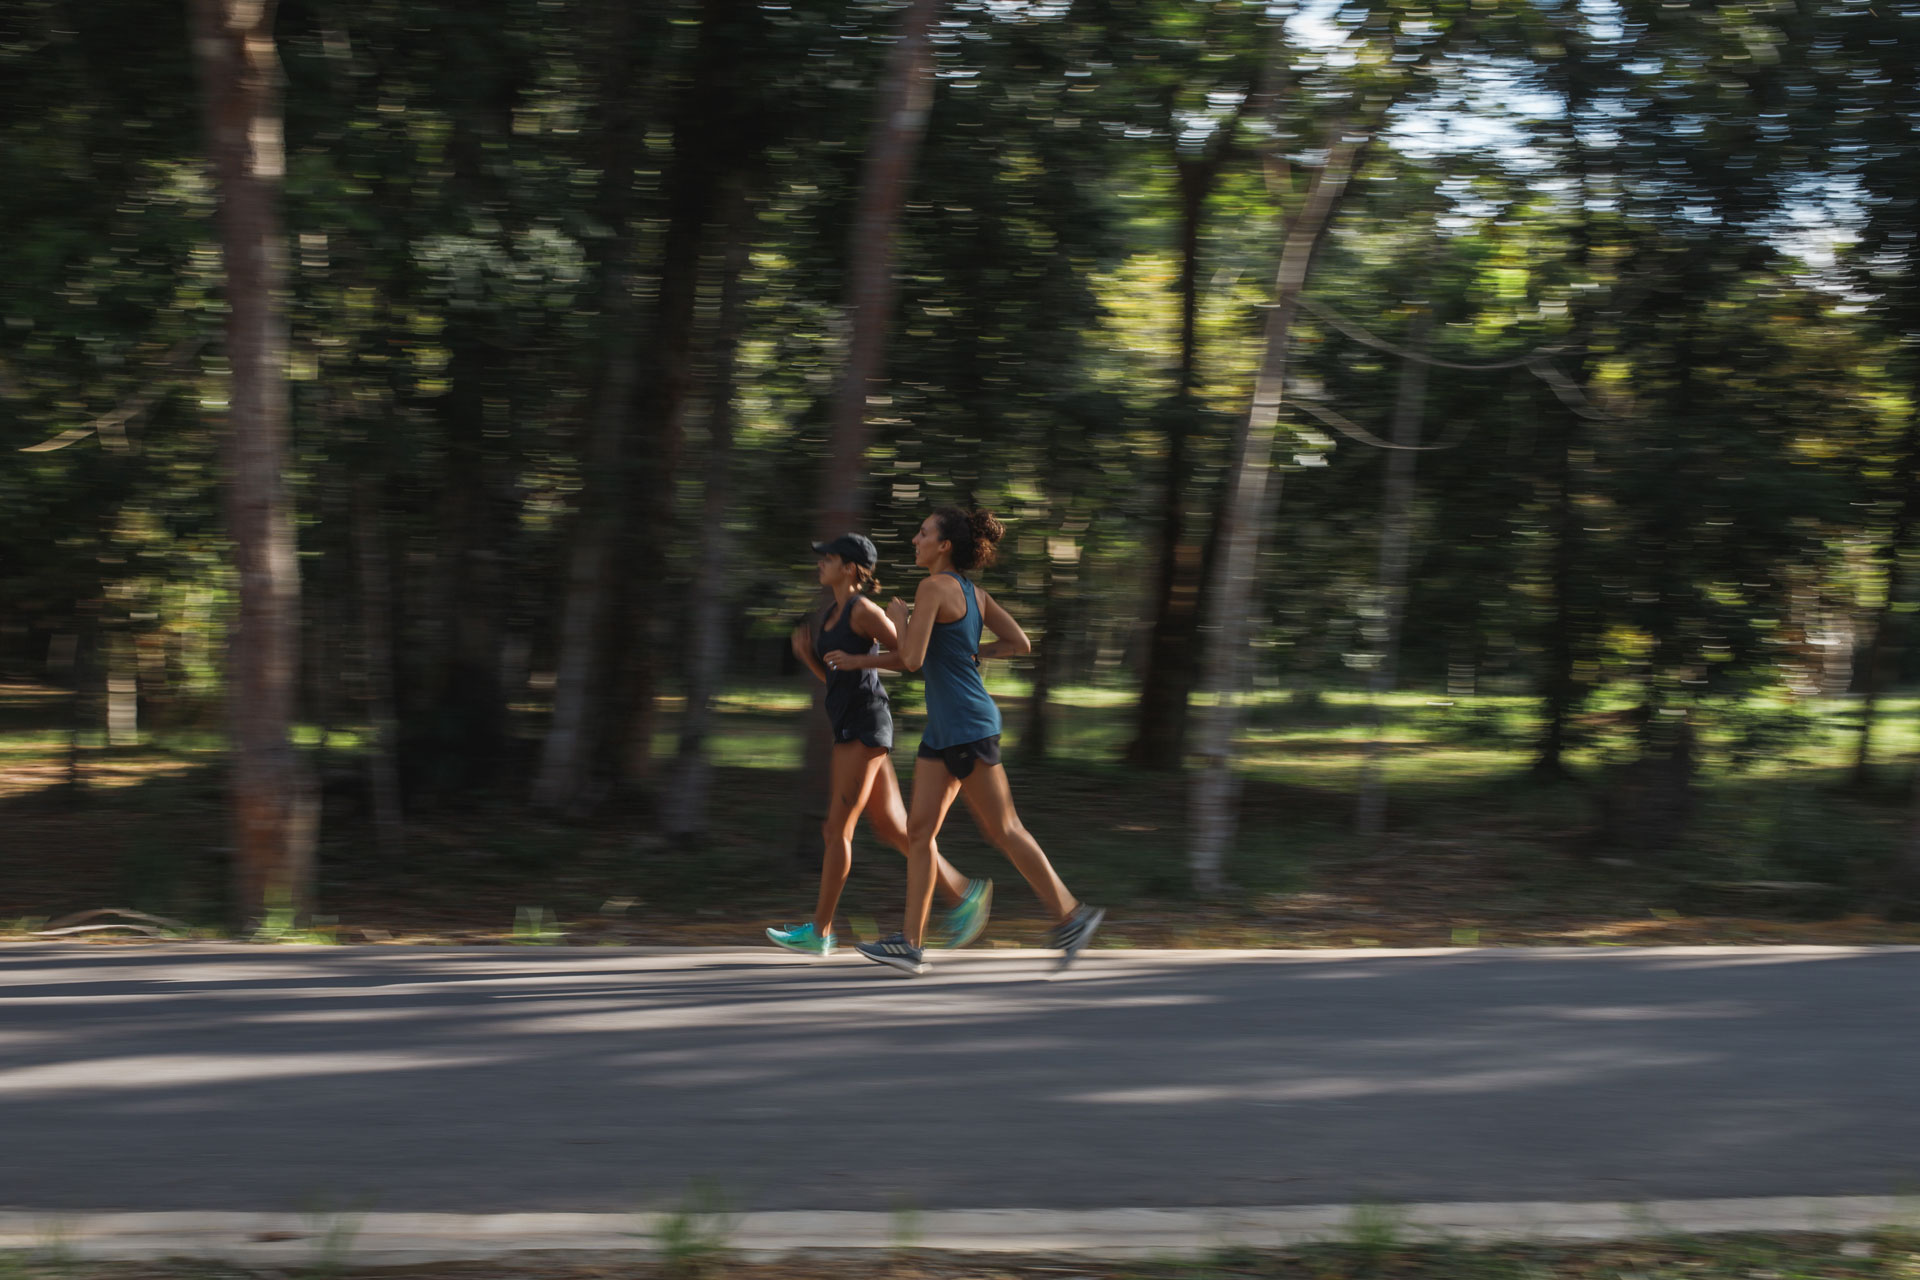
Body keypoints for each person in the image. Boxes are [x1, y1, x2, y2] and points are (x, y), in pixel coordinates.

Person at [825, 509, 1103, 976]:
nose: (916, 539)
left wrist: (879, 641)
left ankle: (1073, 916)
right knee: (918, 834)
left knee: (1005, 829)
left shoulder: (932, 588)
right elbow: (1019, 643)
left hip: (969, 727)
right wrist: (976, 653)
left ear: (944, 545)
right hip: (944, 731)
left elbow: (912, 658)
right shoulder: (975, 594)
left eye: (924, 533)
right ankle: (911, 944)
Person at [766, 532, 993, 958]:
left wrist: (859, 660)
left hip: (865, 727)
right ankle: (962, 894)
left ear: (850, 568)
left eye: (828, 558)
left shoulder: (864, 610)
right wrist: (812, 660)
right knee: (891, 826)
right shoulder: (833, 612)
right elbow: (837, 678)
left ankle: (821, 931)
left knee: (837, 829)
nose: (821, 564)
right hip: (852, 725)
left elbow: (910, 655)